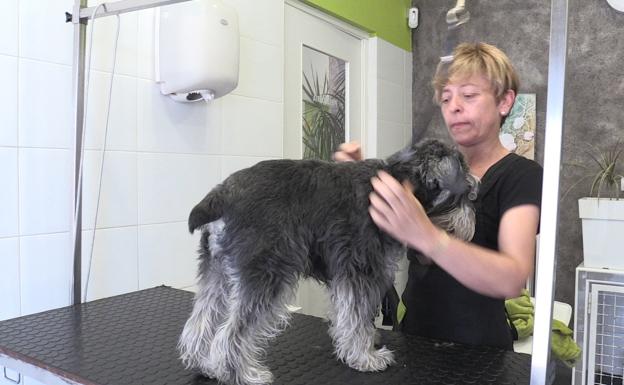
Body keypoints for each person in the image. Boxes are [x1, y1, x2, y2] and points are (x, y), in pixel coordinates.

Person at [334, 42, 542, 350]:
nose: (454, 106)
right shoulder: (429, 171)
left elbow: (512, 279)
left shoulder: (522, 176)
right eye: (446, 99)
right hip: (412, 341)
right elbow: (385, 222)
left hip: (479, 353)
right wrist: (362, 180)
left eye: (469, 95)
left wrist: (427, 236)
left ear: (504, 102)